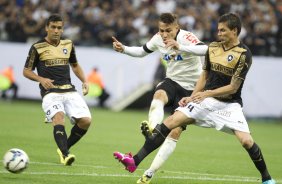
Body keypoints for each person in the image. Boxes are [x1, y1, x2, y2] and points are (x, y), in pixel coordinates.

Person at [113, 13, 276, 184]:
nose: (218, 33)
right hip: (202, 99)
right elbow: (204, 75)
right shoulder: (214, 47)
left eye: (223, 30)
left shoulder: (243, 54)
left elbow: (233, 87)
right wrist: (191, 98)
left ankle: (266, 178)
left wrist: (204, 93)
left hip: (228, 105)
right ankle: (135, 161)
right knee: (171, 122)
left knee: (246, 141)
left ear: (235, 31)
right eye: (218, 30)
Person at [112, 12, 208, 183]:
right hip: (172, 81)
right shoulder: (157, 39)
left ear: (176, 28)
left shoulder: (187, 37)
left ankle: (149, 173)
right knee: (158, 95)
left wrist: (180, 46)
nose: (164, 34)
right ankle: (153, 128)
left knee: (175, 131)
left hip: (192, 90)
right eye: (161, 30)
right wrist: (124, 49)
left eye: (168, 31)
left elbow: (206, 49)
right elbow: (142, 51)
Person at [23, 14, 92, 166]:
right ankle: (66, 154)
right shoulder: (37, 47)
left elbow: (74, 65)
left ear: (62, 29)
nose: (56, 30)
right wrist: (41, 79)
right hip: (51, 92)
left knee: (86, 121)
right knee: (59, 117)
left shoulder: (68, 44)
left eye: (59, 28)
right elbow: (26, 71)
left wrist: (84, 81)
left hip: (69, 90)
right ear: (46, 28)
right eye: (53, 27)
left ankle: (63, 148)